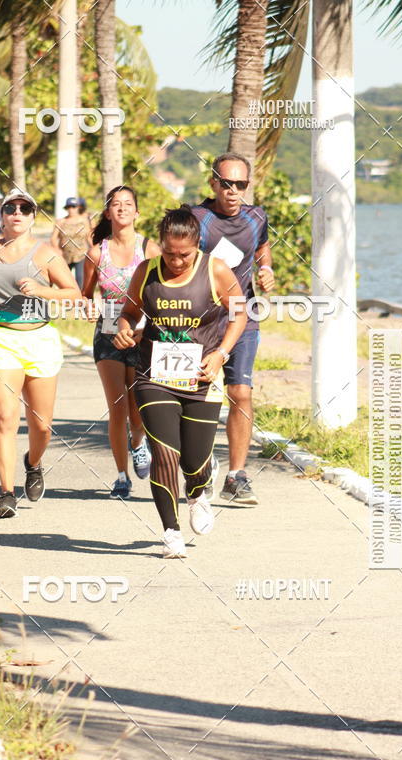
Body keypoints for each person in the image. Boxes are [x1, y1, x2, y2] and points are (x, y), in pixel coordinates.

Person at [114, 205, 247, 558]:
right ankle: (170, 532)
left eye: (184, 255)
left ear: (197, 246)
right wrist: (126, 330)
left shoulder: (215, 270)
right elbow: (129, 312)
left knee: (194, 459)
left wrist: (221, 353)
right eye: (170, 254)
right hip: (153, 376)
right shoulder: (147, 271)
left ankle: (199, 490)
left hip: (202, 378)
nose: (176, 262)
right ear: (161, 245)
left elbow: (239, 312)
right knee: (165, 452)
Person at [0, 188, 81, 518]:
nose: (17, 212)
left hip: (40, 338)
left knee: (41, 426)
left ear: (32, 216)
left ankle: (33, 462)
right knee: (5, 419)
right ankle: (6, 493)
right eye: (10, 207)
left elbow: (75, 294)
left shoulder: (46, 254)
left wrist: (42, 290)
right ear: (1, 214)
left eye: (24, 208)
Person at [191, 153, 275, 505]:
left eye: (241, 184)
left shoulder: (257, 217)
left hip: (243, 316)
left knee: (241, 393)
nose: (234, 191)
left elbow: (262, 248)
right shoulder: (197, 218)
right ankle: (197, 466)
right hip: (199, 320)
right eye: (227, 183)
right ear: (213, 184)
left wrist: (266, 269)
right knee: (196, 394)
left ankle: (236, 475)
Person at [83, 185, 160, 500]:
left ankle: (138, 442)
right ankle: (121, 476)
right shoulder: (96, 252)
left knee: (137, 405)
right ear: (108, 212)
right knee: (117, 407)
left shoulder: (150, 248)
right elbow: (85, 293)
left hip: (143, 327)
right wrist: (87, 305)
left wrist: (152, 324)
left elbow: (163, 290)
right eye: (116, 204)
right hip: (111, 326)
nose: (123, 208)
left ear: (137, 212)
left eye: (129, 203)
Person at [51, 196, 91, 290]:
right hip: (65, 255)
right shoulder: (61, 222)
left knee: (80, 279)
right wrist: (57, 250)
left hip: (81, 254)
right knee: (64, 281)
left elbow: (89, 236)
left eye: (74, 207)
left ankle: (80, 301)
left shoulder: (85, 221)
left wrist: (94, 250)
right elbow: (53, 238)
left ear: (78, 207)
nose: (71, 209)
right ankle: (67, 300)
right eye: (69, 207)